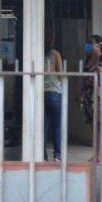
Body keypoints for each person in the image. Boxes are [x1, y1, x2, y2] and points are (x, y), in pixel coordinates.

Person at [43, 30, 65, 161]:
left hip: (41, 92)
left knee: (43, 126)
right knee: (57, 125)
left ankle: (43, 155)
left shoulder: (37, 53)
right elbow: (61, 74)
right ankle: (57, 155)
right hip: (54, 92)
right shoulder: (55, 54)